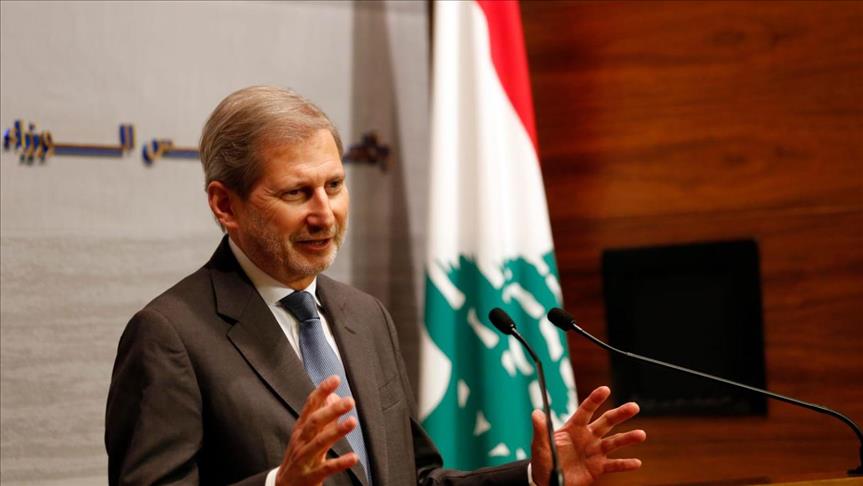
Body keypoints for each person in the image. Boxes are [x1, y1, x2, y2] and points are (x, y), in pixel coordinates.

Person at [105, 86, 646, 486]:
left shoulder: (363, 315)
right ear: (226, 205)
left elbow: (415, 477)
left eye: (335, 185)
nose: (325, 214)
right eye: (296, 193)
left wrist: (534, 475)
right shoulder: (170, 335)